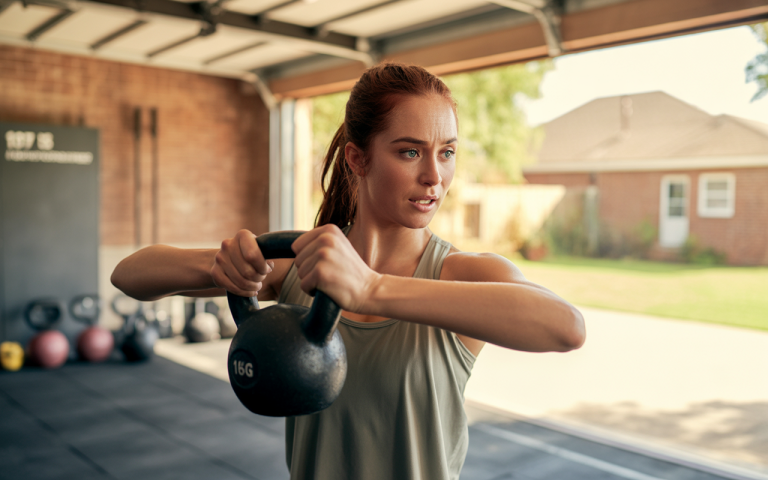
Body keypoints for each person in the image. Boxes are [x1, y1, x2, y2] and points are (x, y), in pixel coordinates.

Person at [111, 62, 586, 480]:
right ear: (358, 158)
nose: (435, 177)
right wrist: (226, 263)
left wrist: (371, 288)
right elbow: (130, 274)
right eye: (409, 151)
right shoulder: (302, 265)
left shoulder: (457, 273)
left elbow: (566, 327)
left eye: (447, 152)